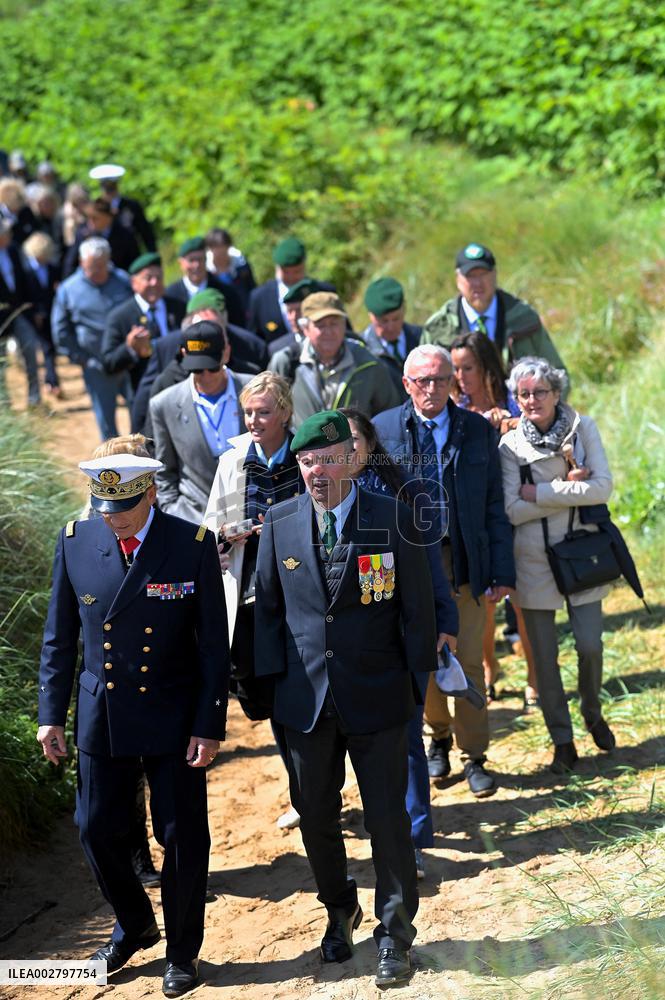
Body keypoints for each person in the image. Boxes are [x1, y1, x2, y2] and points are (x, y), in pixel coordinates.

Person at [254, 410, 438, 987]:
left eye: (326, 460)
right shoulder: (279, 523)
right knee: (315, 817)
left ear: (350, 461)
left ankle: (395, 932)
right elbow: (267, 615)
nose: (314, 471)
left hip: (379, 697)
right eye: (305, 461)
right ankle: (340, 909)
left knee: (387, 820)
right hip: (305, 703)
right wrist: (269, 697)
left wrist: (412, 689)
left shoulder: (392, 516)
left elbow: (417, 610)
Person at [37, 453, 230, 997]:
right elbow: (60, 637)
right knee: (95, 828)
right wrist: (50, 713)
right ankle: (136, 922)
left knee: (181, 836)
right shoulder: (76, 539)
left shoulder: (189, 545)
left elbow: (214, 647)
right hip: (103, 710)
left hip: (172, 712)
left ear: (150, 495)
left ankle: (181, 952)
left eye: (123, 507)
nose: (112, 518)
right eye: (104, 507)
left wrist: (208, 723)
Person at [373, 344, 515, 797]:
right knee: (423, 659)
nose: (431, 389)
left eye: (439, 379)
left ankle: (475, 755)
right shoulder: (384, 430)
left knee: (468, 658)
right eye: (422, 380)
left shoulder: (475, 430)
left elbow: (495, 504)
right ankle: (438, 739)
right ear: (406, 383)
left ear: (453, 380)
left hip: (465, 562)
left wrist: (501, 570)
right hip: (411, 564)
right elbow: (372, 505)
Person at [340, 406, 458, 879]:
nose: (346, 452)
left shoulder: (406, 493)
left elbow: (432, 566)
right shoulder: (321, 499)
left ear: (370, 443)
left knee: (408, 736)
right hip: (351, 644)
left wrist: (445, 621)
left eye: (354, 440)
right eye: (335, 444)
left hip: (404, 636)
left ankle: (412, 840)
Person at [499, 357, 616, 774]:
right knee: (544, 660)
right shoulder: (509, 446)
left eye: (540, 392)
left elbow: (602, 488)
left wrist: (542, 492)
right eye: (524, 394)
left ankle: (592, 710)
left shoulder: (584, 429)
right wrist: (569, 487)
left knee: (590, 645)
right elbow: (511, 510)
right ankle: (562, 741)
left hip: (582, 553)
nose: (532, 400)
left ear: (557, 393)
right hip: (532, 560)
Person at [204, 372, 303, 827]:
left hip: (303, 596)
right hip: (250, 599)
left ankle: (311, 792)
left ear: (284, 412)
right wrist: (230, 535)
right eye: (249, 412)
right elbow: (212, 530)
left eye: (264, 412)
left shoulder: (307, 456)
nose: (255, 420)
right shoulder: (233, 461)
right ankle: (305, 788)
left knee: (302, 694)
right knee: (268, 700)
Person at [79, 434, 163, 887]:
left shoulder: (168, 530)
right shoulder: (84, 533)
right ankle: (137, 856)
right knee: (124, 779)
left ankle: (171, 854)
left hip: (158, 680)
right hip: (109, 680)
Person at [450, 331, 538, 709]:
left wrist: (512, 423)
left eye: (467, 367)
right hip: (480, 515)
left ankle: (534, 676)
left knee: (522, 600)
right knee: (483, 602)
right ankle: (489, 666)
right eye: (455, 368)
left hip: (518, 510)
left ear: (485, 365)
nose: (460, 376)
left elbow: (539, 433)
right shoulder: (456, 407)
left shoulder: (514, 398)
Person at [421, 242, 568, 385]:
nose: (478, 283)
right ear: (458, 279)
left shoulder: (524, 319)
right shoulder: (438, 328)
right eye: (470, 276)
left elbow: (557, 376)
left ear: (495, 274)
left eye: (483, 274)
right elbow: (423, 381)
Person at [149, 321, 251, 521]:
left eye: (212, 367)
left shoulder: (256, 389)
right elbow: (164, 471)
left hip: (253, 518)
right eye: (196, 369)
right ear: (184, 355)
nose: (205, 375)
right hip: (194, 521)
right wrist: (175, 513)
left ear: (227, 353)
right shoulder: (164, 405)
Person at [269, 291, 400, 427]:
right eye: (321, 325)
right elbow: (272, 414)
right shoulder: (286, 363)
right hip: (302, 448)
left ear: (344, 325)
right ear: (305, 329)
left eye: (334, 323)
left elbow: (390, 418)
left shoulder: (369, 363)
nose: (329, 331)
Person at [51, 236, 133, 441]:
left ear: (109, 261)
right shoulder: (68, 289)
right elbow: (60, 330)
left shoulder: (124, 281)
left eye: (101, 267)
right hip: (96, 364)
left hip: (128, 359)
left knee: (139, 411)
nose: (96, 273)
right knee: (106, 424)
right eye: (91, 268)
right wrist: (81, 358)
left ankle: (143, 463)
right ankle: (112, 468)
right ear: (81, 263)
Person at [101, 252, 186, 392]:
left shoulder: (178, 308)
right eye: (148, 278)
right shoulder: (120, 317)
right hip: (142, 391)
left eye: (159, 277)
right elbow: (108, 363)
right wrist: (129, 348)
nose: (155, 283)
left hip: (179, 388)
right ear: (134, 283)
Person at [248, 236, 335, 345]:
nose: (291, 277)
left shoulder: (324, 292)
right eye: (286, 272)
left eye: (297, 271)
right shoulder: (260, 298)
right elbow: (254, 340)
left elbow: (343, 329)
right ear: (277, 268)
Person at [0, 217, 41, 406]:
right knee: (1, 363)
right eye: (5, 234)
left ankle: (34, 399)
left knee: (30, 350)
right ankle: (4, 403)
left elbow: (25, 280)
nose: (9, 236)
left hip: (19, 313)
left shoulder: (14, 250)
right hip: (1, 317)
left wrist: (33, 308)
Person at [360, 277, 422, 399]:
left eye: (396, 319)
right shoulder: (363, 350)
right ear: (371, 316)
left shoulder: (421, 338)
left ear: (404, 309)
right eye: (383, 321)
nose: (390, 327)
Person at [165, 236, 245, 328]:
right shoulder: (171, 295)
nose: (197, 265)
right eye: (191, 260)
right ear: (181, 263)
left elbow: (238, 326)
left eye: (200, 259)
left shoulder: (225, 291)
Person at [22, 231, 61, 397]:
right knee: (42, 349)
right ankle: (50, 381)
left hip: (51, 312)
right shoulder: (25, 270)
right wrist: (34, 312)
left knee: (49, 348)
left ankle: (52, 380)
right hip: (33, 315)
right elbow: (24, 294)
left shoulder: (52, 268)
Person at [63, 197, 140, 278]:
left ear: (108, 218)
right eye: (89, 218)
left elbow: (134, 263)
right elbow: (70, 263)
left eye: (95, 218)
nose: (90, 222)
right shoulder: (83, 234)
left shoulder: (125, 235)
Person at [89, 162, 157, 252]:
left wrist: (152, 256)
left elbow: (146, 233)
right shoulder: (96, 208)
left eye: (111, 186)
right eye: (106, 186)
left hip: (130, 254)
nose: (108, 190)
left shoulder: (131, 206)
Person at [205, 227, 256, 313]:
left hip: (243, 311)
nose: (220, 252)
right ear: (210, 248)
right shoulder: (205, 269)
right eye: (216, 248)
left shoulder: (241, 265)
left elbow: (251, 288)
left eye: (223, 247)